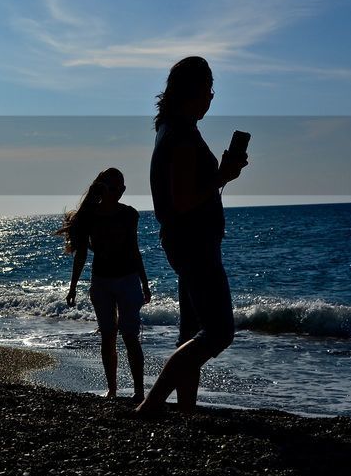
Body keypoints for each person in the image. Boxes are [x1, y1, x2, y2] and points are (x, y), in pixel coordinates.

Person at [135, 56, 247, 417]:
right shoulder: (181, 136)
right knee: (219, 332)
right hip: (195, 243)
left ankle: (185, 410)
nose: (211, 98)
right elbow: (184, 200)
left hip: (186, 241)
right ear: (194, 91)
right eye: (208, 89)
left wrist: (219, 178)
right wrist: (223, 176)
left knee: (192, 330)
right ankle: (152, 404)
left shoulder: (171, 129)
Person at [57, 167, 153, 401]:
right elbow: (80, 255)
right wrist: (72, 288)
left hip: (128, 280)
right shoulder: (90, 216)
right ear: (103, 188)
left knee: (130, 335)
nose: (118, 191)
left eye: (121, 187)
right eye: (113, 187)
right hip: (101, 282)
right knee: (108, 335)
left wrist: (145, 283)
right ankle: (112, 390)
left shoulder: (130, 214)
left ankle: (139, 391)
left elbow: (134, 250)